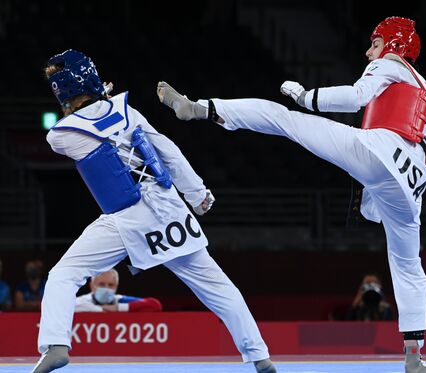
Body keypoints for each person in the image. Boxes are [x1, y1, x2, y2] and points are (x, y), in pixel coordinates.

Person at [158, 16, 426, 373]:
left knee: (283, 118)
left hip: (378, 153)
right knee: (408, 265)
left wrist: (305, 96)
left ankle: (202, 108)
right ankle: (414, 358)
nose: (368, 51)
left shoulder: (389, 63)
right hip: (409, 186)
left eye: (374, 43)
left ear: (392, 45)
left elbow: (356, 97)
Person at [32, 49, 276, 373]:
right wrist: (197, 192)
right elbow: (168, 151)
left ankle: (56, 345)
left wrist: (95, 100)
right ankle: (259, 356)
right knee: (217, 287)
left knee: (64, 275)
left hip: (127, 217)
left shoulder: (61, 134)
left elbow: (78, 129)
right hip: (170, 207)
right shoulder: (128, 111)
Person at [75, 269, 162, 313]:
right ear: (92, 285)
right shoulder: (79, 302)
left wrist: (118, 308)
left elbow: (155, 305)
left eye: (111, 285)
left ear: (116, 287)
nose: (106, 289)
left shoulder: (120, 300)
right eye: (101, 284)